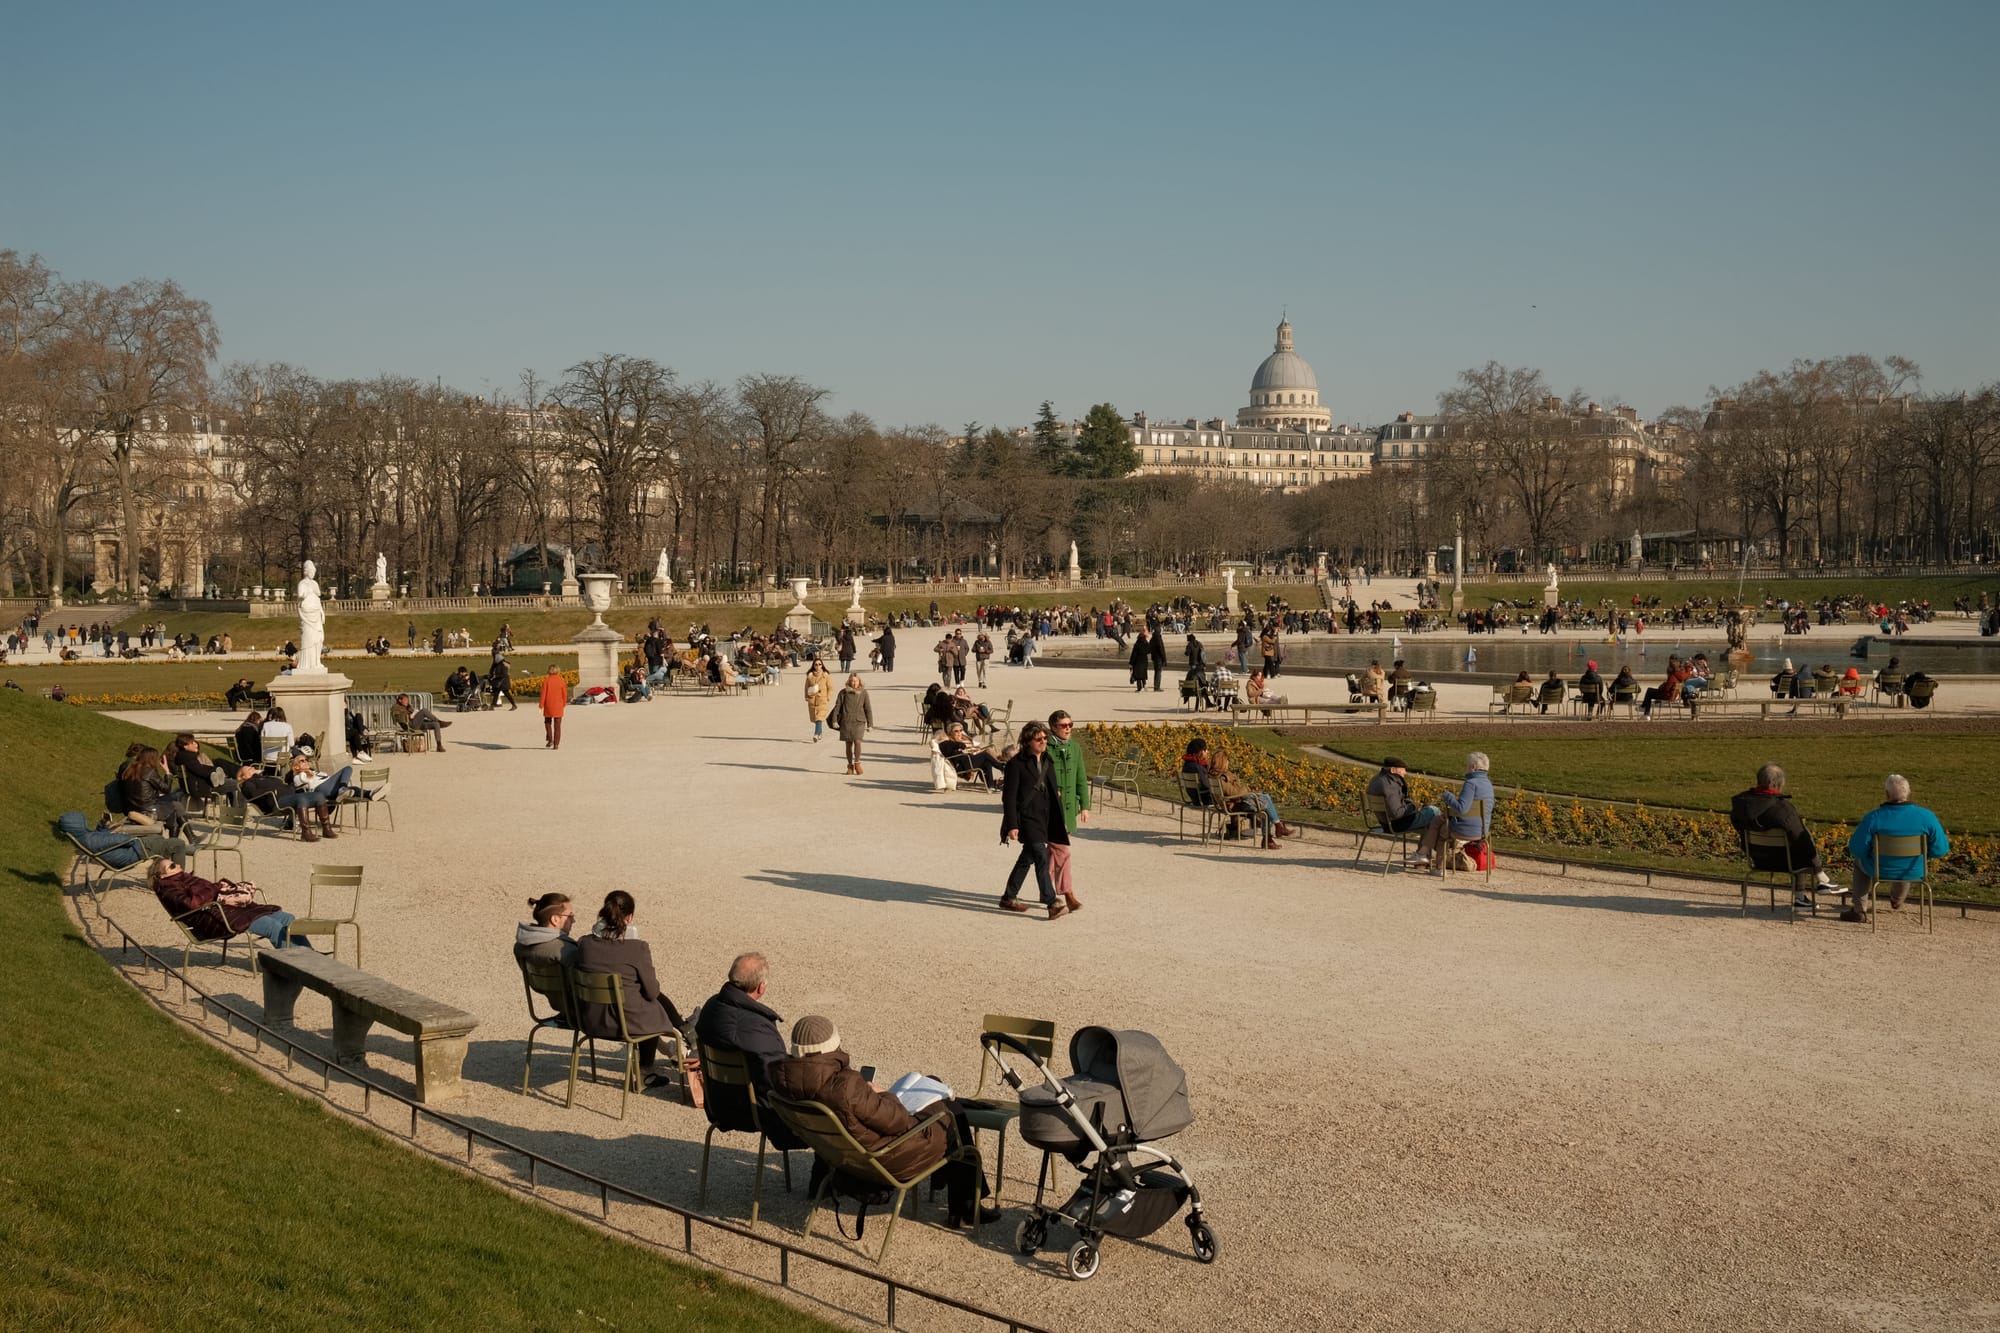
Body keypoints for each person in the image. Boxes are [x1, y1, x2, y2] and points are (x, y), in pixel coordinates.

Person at [769, 1015, 996, 1228]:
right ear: (832, 1046)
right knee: (951, 1112)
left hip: (843, 1156)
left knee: (934, 1085)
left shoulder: (782, 1084)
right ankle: (966, 1206)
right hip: (885, 1160)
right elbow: (898, 1122)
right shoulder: (845, 1087)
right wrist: (884, 1095)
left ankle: (954, 1193)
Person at [693, 952, 810, 1153]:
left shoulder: (711, 1007)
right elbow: (775, 1078)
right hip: (755, 1111)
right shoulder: (757, 1027)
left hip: (718, 1103)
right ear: (761, 987)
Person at [572, 892, 688, 1083]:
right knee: (652, 1005)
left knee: (642, 1000)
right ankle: (645, 1072)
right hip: (625, 1025)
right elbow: (652, 992)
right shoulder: (637, 948)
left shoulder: (584, 944)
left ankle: (685, 1032)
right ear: (630, 917)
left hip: (590, 1020)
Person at [1728, 763, 1843, 911]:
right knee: (1801, 838)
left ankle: (1808, 893)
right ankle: (1819, 881)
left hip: (1757, 858)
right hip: (1786, 862)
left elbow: (1738, 827)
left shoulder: (1741, 804)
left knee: (1794, 842)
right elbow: (1801, 840)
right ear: (1779, 784)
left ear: (1758, 780)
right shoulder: (1782, 809)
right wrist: (1817, 866)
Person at [1842, 774, 1950, 922]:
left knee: (1859, 863)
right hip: (1914, 869)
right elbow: (1940, 849)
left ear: (1887, 794)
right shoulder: (1927, 817)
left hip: (1879, 869)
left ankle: (1859, 910)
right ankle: (1897, 899)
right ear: (1908, 793)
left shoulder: (1874, 818)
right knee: (1907, 861)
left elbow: (1857, 849)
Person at [148, 857, 304, 952]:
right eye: (173, 866)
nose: (179, 866)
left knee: (288, 919)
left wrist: (223, 887)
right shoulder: (168, 889)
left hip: (225, 909)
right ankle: (297, 963)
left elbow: (205, 892)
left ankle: (308, 955)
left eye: (176, 863)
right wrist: (215, 888)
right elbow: (193, 903)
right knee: (273, 927)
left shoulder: (183, 878)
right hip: (212, 918)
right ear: (162, 875)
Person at [999, 721, 1069, 919]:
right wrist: (1012, 825)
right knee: (1040, 855)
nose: (1043, 741)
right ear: (1028, 741)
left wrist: (1059, 817)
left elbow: (1054, 790)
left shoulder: (1048, 759)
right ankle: (1051, 901)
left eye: (1045, 738)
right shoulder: (1016, 764)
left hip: (1044, 817)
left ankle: (1008, 897)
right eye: (1039, 739)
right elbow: (1009, 797)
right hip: (1026, 818)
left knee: (1027, 857)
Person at [1413, 752, 1495, 876]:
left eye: (1467, 765)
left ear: (1473, 767)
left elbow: (1462, 809)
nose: (1465, 768)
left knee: (1441, 830)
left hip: (1464, 830)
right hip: (1482, 830)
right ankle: (1423, 854)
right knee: (1440, 821)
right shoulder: (1488, 784)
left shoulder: (1471, 784)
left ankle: (1435, 864)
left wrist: (1448, 796)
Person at [1044, 710, 1091, 912]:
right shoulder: (1045, 747)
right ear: (1053, 727)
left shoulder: (1075, 747)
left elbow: (1081, 777)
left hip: (1069, 809)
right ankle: (1068, 893)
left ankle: (1043, 890)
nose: (1068, 729)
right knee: (1063, 852)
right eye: (1064, 726)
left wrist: (1085, 806)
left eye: (1070, 724)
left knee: (1051, 855)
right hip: (1050, 809)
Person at [1209, 747, 1294, 848]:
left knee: (1264, 800)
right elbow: (1237, 793)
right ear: (1222, 762)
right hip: (1235, 805)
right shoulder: (1221, 778)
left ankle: (1273, 833)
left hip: (1234, 802)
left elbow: (1233, 793)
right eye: (1227, 761)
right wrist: (1246, 788)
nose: (1228, 763)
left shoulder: (1214, 776)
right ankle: (1274, 831)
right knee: (1265, 801)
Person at [1365, 757, 1440, 864]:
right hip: (1396, 824)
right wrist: (1414, 806)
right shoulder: (1389, 785)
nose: (1405, 772)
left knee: (1431, 821)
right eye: (1403, 769)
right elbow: (1398, 813)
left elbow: (1394, 804)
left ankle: (1422, 858)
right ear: (1393, 770)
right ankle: (1436, 854)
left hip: (1385, 822)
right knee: (1434, 812)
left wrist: (1408, 804)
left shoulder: (1377, 779)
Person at [118, 746, 188, 835]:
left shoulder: (130, 769)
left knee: (173, 809)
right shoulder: (149, 771)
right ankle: (185, 839)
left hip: (134, 808)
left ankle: (182, 840)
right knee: (177, 806)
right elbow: (166, 789)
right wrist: (167, 773)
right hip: (148, 811)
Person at [169, 733, 238, 803]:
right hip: (201, 787)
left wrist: (213, 769)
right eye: (192, 743)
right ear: (185, 746)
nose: (195, 744)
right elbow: (200, 770)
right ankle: (238, 810)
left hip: (195, 786)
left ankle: (234, 809)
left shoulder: (181, 757)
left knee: (231, 783)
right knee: (238, 784)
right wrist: (213, 770)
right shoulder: (188, 757)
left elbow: (199, 768)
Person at [828, 673, 873, 775]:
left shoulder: (864, 693)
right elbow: (837, 707)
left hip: (859, 721)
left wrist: (870, 724)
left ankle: (857, 763)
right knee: (848, 744)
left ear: (859, 681)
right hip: (846, 721)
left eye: (856, 681)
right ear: (849, 681)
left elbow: (868, 709)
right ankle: (850, 766)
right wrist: (834, 720)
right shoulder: (843, 693)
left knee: (857, 741)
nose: (854, 683)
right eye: (852, 681)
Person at [938, 722, 999, 786]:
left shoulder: (966, 738)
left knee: (987, 759)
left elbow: (978, 745)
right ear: (950, 733)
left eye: (961, 730)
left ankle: (991, 784)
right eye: (956, 731)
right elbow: (962, 754)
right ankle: (1002, 766)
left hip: (976, 757)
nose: (959, 733)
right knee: (986, 754)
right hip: (968, 762)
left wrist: (979, 749)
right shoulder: (952, 743)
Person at [803, 659, 833, 742]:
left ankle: (816, 734)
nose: (818, 666)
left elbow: (830, 687)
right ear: (813, 665)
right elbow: (806, 687)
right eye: (816, 664)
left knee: (819, 717)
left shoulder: (825, 675)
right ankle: (820, 732)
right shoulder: (810, 676)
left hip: (822, 699)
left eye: (820, 664)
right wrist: (806, 697)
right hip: (812, 699)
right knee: (815, 719)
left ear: (822, 665)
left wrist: (828, 697)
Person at [540, 665, 569, 750]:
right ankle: (556, 744)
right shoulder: (561, 681)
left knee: (547, 722)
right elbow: (564, 694)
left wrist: (541, 704)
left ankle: (550, 739)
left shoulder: (546, 681)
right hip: (558, 705)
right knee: (557, 725)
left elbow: (543, 694)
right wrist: (564, 703)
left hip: (548, 704)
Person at [1128, 629, 1151, 693]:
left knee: (1138, 675)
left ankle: (1139, 688)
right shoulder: (1146, 643)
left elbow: (1134, 654)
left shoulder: (1137, 644)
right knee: (1143, 674)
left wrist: (1131, 662)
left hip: (1137, 660)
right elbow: (1149, 650)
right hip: (1144, 660)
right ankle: (1145, 686)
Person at [1148, 624, 1167, 691]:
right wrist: (1164, 659)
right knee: (1158, 672)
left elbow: (1149, 648)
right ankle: (1157, 687)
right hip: (1159, 658)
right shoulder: (1158, 638)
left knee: (1156, 672)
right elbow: (1161, 649)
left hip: (1154, 657)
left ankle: (1156, 685)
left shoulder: (1152, 638)